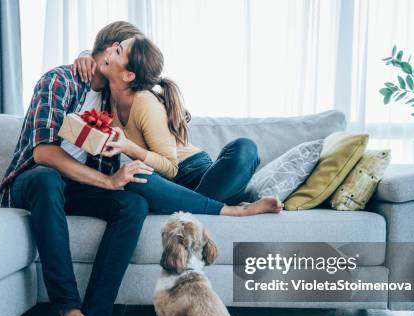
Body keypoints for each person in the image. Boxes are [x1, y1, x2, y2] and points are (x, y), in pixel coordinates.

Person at [0, 21, 151, 316]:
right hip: (31, 180)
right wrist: (107, 181)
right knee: (47, 178)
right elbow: (42, 153)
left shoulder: (112, 99)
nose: (125, 61)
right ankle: (68, 308)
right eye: (122, 51)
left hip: (75, 184)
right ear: (106, 50)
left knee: (133, 204)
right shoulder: (58, 80)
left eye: (128, 59)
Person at [74, 35, 283, 216]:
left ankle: (225, 209)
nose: (109, 49)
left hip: (196, 173)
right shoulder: (106, 94)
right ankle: (219, 206)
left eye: (117, 50)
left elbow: (172, 168)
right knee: (133, 176)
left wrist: (128, 147)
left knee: (245, 147)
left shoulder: (144, 101)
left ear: (129, 75)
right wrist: (84, 55)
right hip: (167, 186)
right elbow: (96, 56)